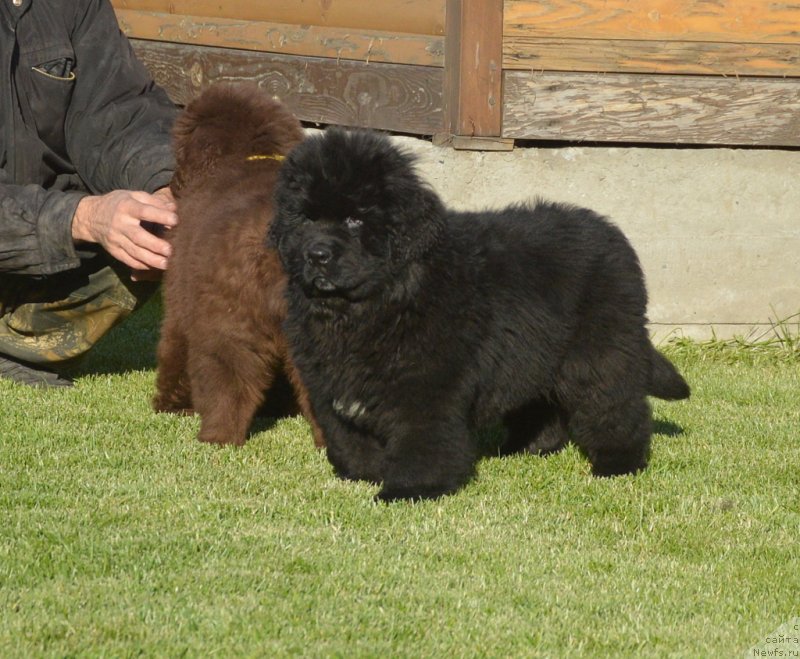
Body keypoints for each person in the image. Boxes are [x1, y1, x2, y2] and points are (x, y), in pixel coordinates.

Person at [0, 0, 178, 387]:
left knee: (143, 228)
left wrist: (164, 192)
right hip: (38, 224)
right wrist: (81, 217)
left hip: (40, 249)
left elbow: (119, 112)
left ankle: (19, 347)